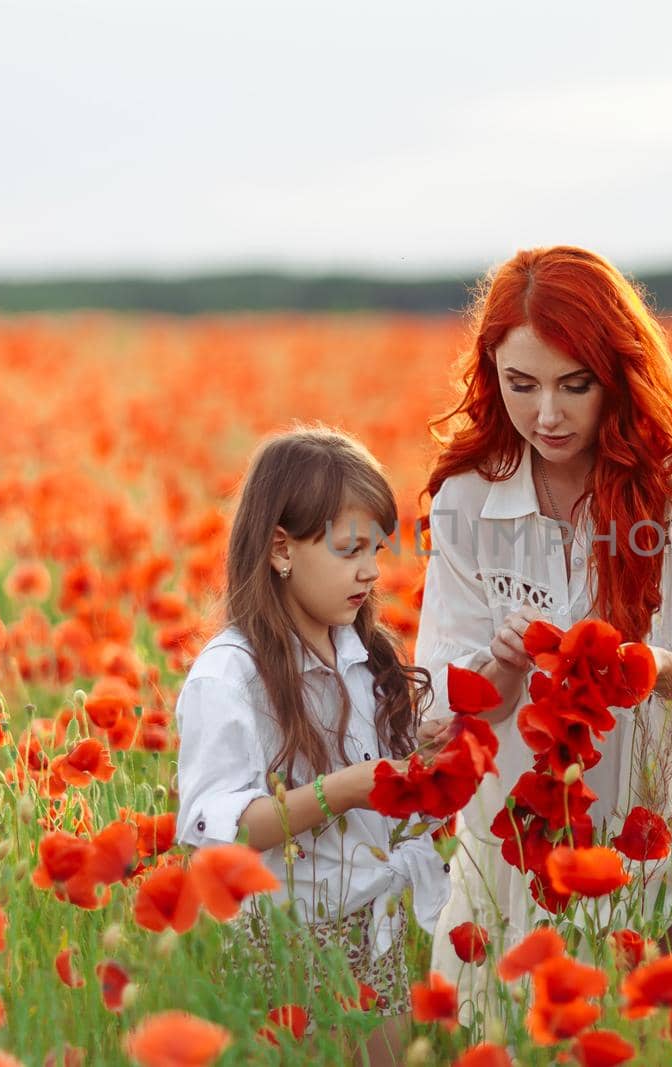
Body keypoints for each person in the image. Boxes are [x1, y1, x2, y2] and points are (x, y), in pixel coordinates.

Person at [414, 246, 672, 1014]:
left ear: (618, 372)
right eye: (522, 384)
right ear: (491, 374)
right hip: (526, 843)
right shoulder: (467, 496)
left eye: (575, 385)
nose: (547, 413)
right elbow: (435, 702)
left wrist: (663, 670)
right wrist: (499, 669)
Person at [174, 427, 448, 1067]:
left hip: (374, 929)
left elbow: (392, 811)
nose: (371, 570)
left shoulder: (366, 653)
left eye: (376, 549)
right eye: (350, 549)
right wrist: (348, 788)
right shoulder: (229, 676)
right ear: (281, 550)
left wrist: (424, 765)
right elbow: (222, 831)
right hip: (284, 942)